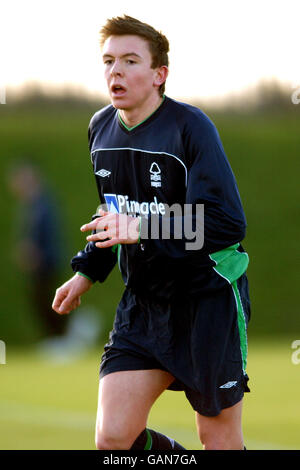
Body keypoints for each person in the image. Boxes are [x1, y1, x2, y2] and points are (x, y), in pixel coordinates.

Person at [52, 15, 251, 450]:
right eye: (107, 61)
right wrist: (87, 270)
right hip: (143, 306)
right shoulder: (100, 129)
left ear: (160, 74)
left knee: (216, 438)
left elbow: (226, 224)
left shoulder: (191, 128)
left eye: (129, 61)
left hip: (206, 302)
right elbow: (115, 214)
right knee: (114, 440)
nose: (115, 71)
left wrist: (141, 226)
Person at [8, 161, 68, 338]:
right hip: (43, 261)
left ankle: (61, 334)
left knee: (46, 299)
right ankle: (57, 335)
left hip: (47, 261)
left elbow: (43, 234)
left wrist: (34, 252)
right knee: (41, 300)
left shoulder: (42, 204)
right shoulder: (32, 204)